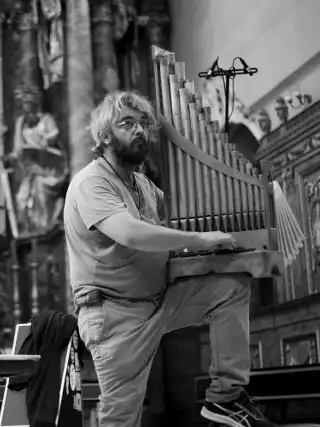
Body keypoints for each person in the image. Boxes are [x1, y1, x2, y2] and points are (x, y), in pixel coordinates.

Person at [64, 91, 276, 427]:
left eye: (143, 124)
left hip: (160, 301)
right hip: (114, 313)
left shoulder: (145, 186)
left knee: (231, 285)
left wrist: (240, 186)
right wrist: (199, 239)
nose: (139, 131)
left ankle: (225, 397)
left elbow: (190, 214)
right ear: (104, 136)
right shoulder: (90, 182)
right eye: (127, 124)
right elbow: (132, 233)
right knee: (121, 419)